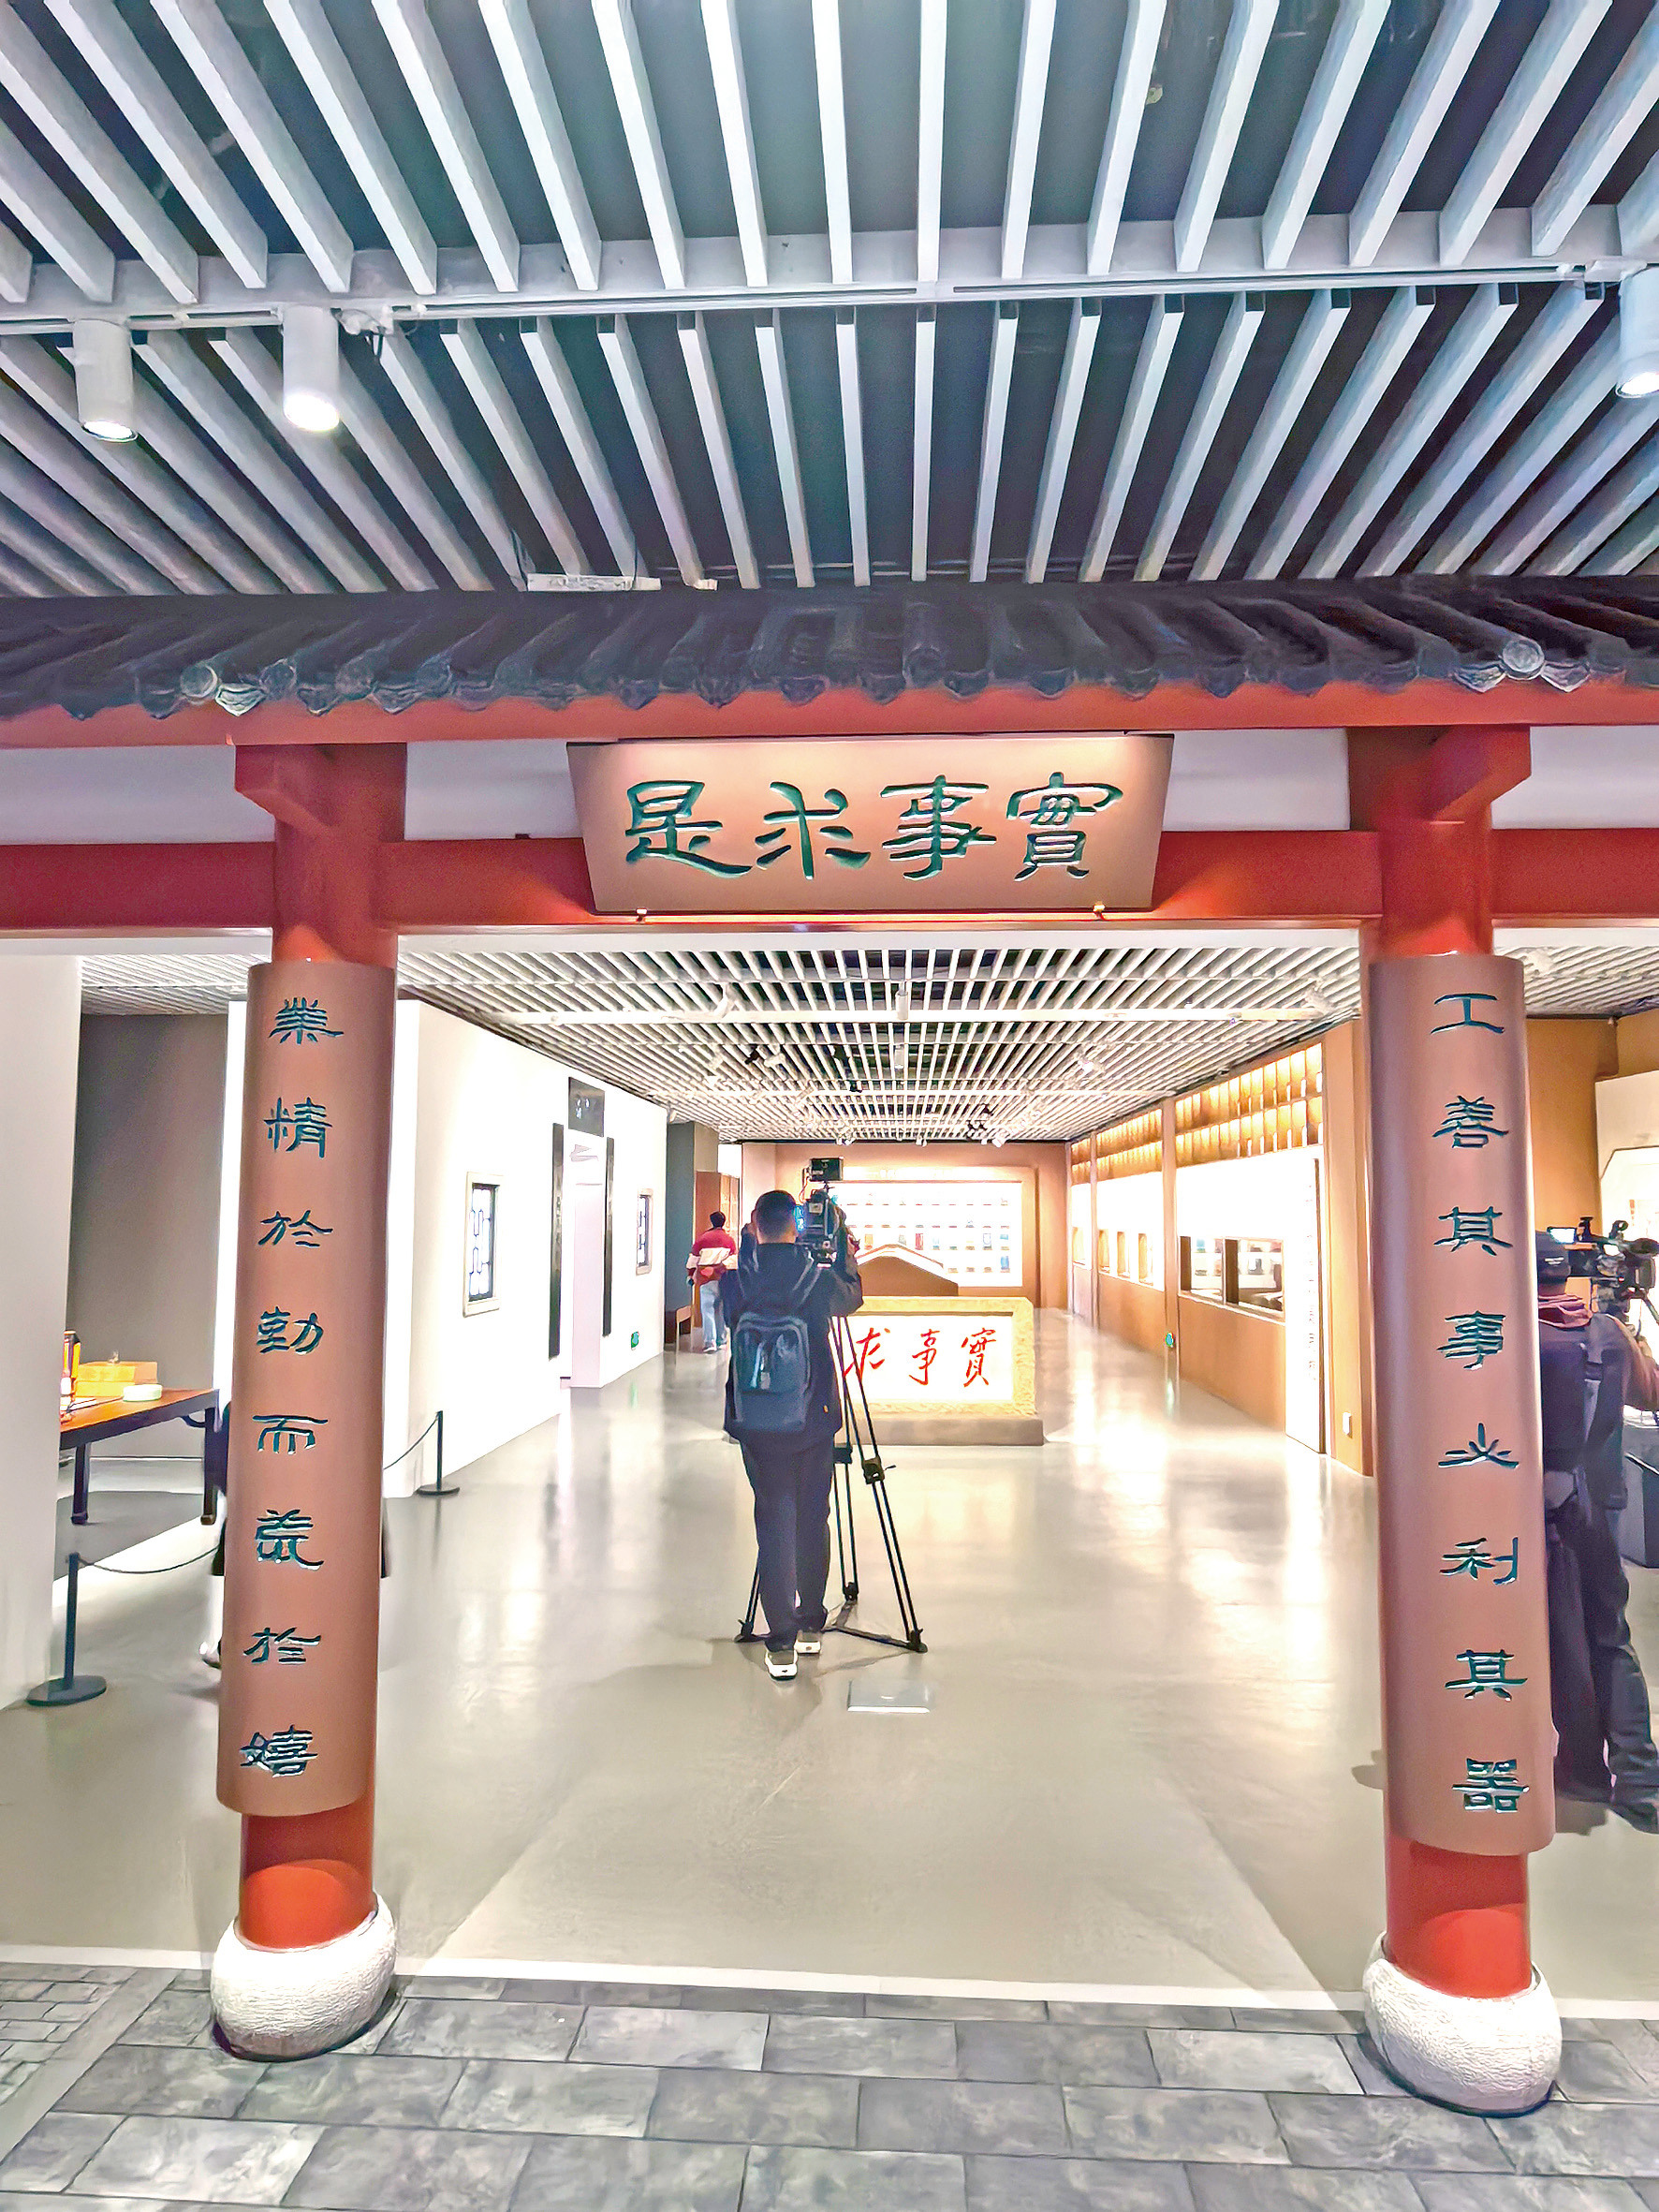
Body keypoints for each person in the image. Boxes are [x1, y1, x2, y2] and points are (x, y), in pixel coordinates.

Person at [1537, 1233, 1659, 1828]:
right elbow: (1651, 1392)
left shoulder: (1514, 1339)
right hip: (1602, 1507)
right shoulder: (1606, 1332)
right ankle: (1643, 1783)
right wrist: (1629, 1333)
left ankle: (1584, 1769)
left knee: (1561, 1641)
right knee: (1610, 1637)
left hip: (1542, 1514)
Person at [721, 1187, 862, 1679]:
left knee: (773, 1521)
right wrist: (841, 1246)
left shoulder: (737, 1281)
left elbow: (734, 1311)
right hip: (813, 1418)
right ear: (797, 1226)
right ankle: (810, 1627)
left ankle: (779, 1643)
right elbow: (852, 1297)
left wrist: (748, 1243)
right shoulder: (817, 1279)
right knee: (812, 1516)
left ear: (754, 1225)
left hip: (756, 1422)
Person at [686, 1209, 737, 1353]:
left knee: (707, 1309)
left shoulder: (702, 1239)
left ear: (711, 1222)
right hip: (723, 1279)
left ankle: (710, 1342)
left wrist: (690, 1275)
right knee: (719, 1309)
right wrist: (720, 1269)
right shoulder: (729, 1240)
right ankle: (722, 1340)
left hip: (705, 1279)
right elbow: (733, 1260)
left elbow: (693, 1260)